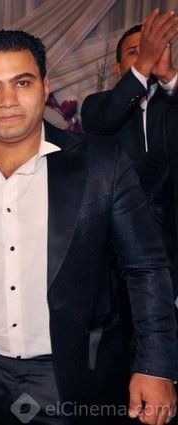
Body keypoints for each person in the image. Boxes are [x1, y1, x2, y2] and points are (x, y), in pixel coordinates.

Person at [0, 30, 178, 425]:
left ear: (45, 87)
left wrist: (156, 365)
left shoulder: (101, 163)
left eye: (22, 83)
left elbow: (145, 266)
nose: (7, 100)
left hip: (74, 372)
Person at [82, 10, 178, 260]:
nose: (146, 56)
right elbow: (103, 122)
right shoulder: (97, 104)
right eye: (134, 52)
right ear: (117, 68)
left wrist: (168, 75)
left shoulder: (172, 101)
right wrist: (143, 65)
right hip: (120, 242)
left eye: (151, 51)